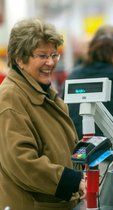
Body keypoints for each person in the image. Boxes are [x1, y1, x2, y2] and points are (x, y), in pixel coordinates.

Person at [0, 18, 85, 210]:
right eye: (42, 56)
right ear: (20, 59)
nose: (51, 62)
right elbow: (22, 161)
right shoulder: (11, 98)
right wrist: (71, 181)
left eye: (54, 55)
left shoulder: (44, 92)